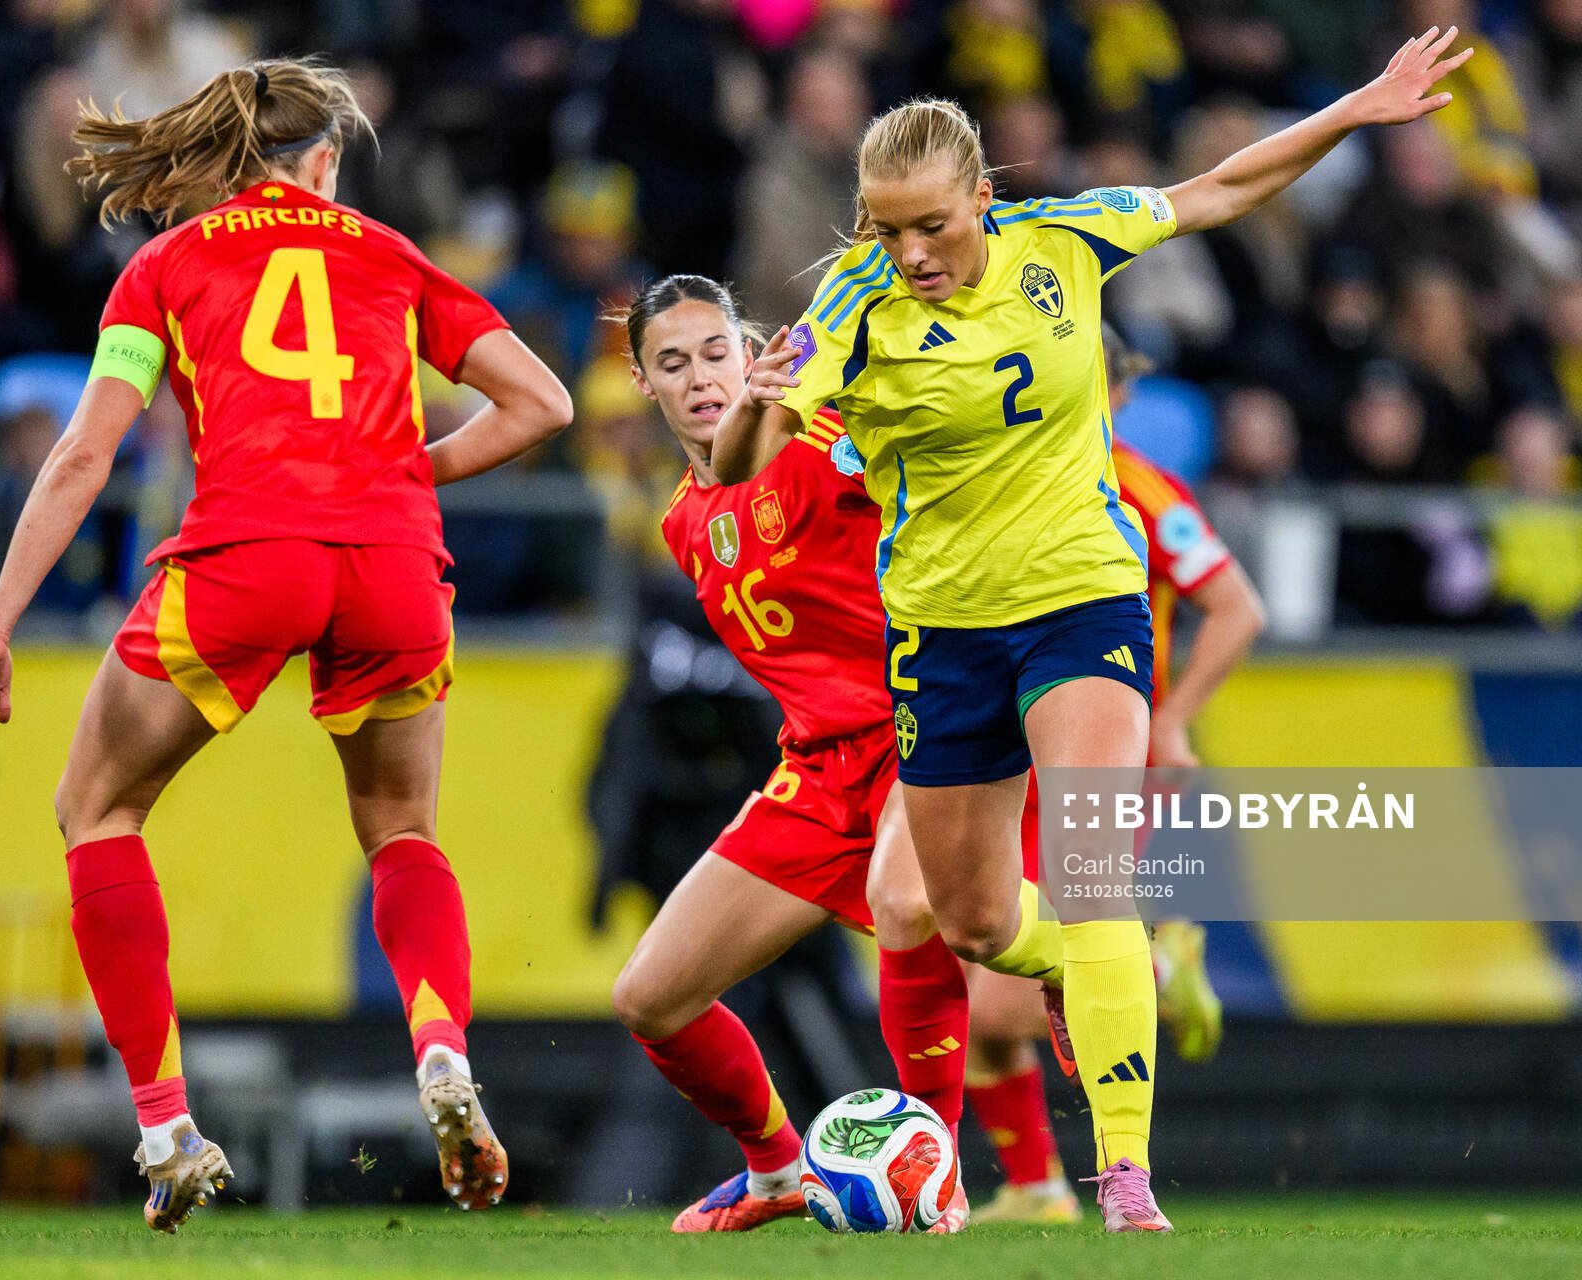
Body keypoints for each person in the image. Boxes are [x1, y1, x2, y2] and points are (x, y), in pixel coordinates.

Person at [711, 27, 1472, 1231]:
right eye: (885, 229)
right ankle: (1086, 969)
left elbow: (1220, 186)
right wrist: (751, 409)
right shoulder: (849, 308)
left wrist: (1351, 112)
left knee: (1094, 870)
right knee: (965, 918)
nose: (911, 253)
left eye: (932, 226)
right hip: (947, 632)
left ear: (981, 196)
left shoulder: (1063, 238)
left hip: (1082, 598)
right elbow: (741, 465)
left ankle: (1124, 1178)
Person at [0, 59, 573, 1232]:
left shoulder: (163, 268)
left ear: (223, 164)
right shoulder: (391, 255)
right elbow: (544, 403)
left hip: (243, 555)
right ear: (323, 163)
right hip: (391, 566)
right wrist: (391, 479)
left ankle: (168, 1125)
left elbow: (83, 454)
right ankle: (440, 1051)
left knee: (99, 809)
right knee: (402, 829)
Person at [613, 275, 972, 1232]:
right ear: (644, 384)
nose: (700, 379)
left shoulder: (824, 441)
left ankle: (938, 1167)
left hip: (922, 730)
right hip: (816, 771)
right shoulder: (682, 523)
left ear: (751, 351)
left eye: (717, 353)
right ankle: (775, 1170)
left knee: (918, 916)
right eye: (673, 363)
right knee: (651, 997)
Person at [964, 326, 1264, 1224]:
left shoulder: (1136, 486)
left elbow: (1236, 607)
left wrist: (1170, 718)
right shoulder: (992, 471)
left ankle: (1154, 978)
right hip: (1002, 751)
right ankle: (1035, 1186)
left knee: (1000, 1002)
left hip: (1100, 751)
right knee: (970, 977)